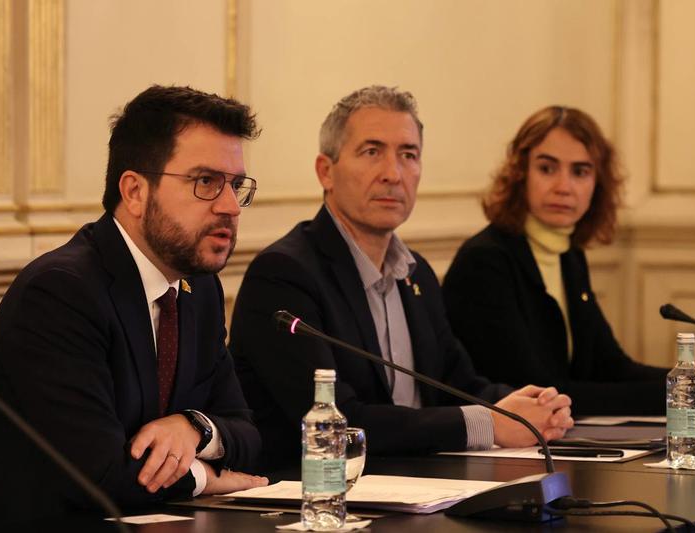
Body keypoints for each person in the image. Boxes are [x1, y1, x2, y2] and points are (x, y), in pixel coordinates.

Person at [0, 85, 267, 531]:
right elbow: (99, 475)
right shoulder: (60, 295)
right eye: (205, 182)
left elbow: (245, 431)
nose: (230, 207)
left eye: (235, 185)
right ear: (134, 191)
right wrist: (204, 476)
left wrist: (193, 428)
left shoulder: (198, 290)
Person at [228, 86, 573, 471]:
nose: (393, 174)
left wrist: (533, 408)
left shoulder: (416, 273)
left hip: (418, 486)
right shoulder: (284, 275)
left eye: (408, 155)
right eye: (372, 152)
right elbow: (335, 422)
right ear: (326, 171)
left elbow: (457, 384)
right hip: (311, 501)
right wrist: (488, 423)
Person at [441, 106, 695, 417]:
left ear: (597, 184)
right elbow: (539, 392)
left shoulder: (569, 255)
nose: (564, 186)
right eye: (547, 169)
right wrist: (679, 390)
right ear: (520, 174)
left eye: (580, 171)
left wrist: (690, 378)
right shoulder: (485, 262)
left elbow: (609, 366)